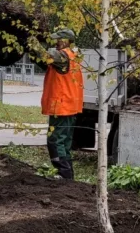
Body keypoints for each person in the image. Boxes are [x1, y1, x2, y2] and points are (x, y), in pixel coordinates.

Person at [39, 28, 84, 179]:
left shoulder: (62, 56)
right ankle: (67, 175)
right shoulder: (73, 57)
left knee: (55, 140)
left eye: (58, 39)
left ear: (66, 41)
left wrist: (32, 40)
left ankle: (63, 173)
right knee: (64, 142)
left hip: (62, 106)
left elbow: (43, 54)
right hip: (69, 106)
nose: (56, 42)